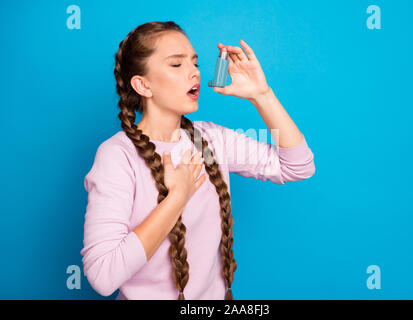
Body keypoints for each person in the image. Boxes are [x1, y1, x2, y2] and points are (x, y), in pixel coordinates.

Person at [80, 21, 315, 300]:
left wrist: (261, 94)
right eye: (176, 65)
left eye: (195, 63)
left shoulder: (211, 140)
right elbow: (103, 276)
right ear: (143, 85)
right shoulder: (118, 156)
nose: (194, 72)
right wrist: (176, 199)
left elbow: (298, 166)